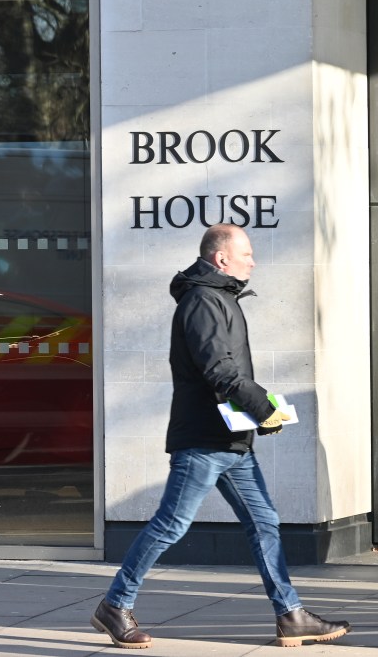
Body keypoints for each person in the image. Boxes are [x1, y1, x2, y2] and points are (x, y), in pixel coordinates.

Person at [92, 224, 349, 649]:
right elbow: (219, 370)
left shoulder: (218, 297)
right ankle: (115, 605)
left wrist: (260, 412)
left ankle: (290, 616)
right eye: (246, 254)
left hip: (230, 441)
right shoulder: (202, 301)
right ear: (221, 258)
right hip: (204, 440)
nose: (253, 262)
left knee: (264, 523)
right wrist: (263, 408)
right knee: (171, 524)